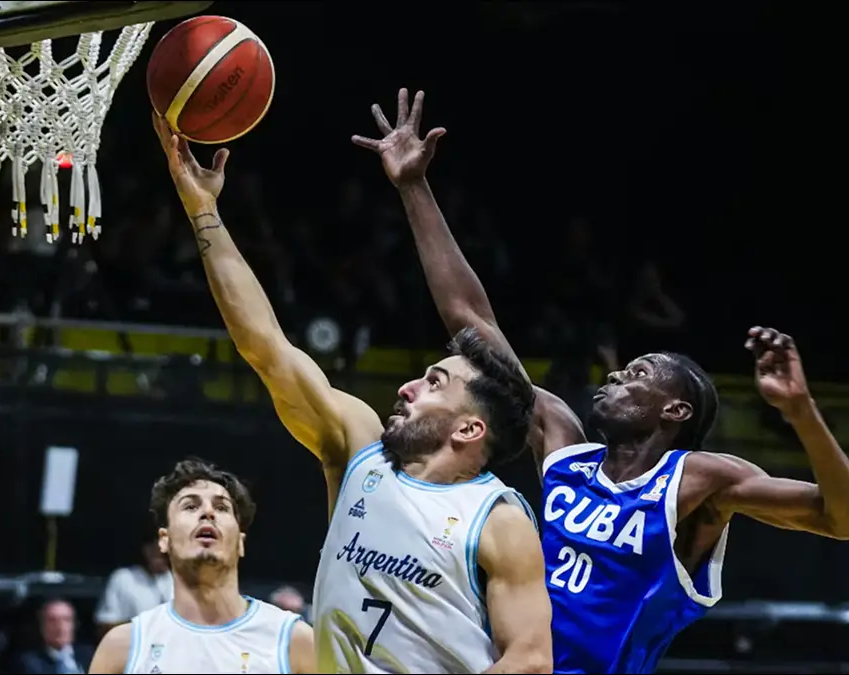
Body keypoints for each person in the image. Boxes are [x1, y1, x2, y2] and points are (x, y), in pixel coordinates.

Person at [353, 88, 849, 674]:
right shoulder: (565, 451)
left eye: (641, 373)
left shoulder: (699, 482)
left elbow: (846, 521)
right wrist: (413, 187)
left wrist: (801, 412)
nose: (619, 374)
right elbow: (472, 322)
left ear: (675, 412)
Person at [150, 111, 552, 674]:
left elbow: (531, 661)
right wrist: (203, 210)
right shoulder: (360, 449)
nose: (409, 386)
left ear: (469, 428)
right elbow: (264, 345)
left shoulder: (498, 519)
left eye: (435, 383)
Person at [89, 458, 315, 674]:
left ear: (240, 542)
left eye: (222, 507)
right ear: (164, 540)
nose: (208, 513)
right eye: (190, 506)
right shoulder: (122, 649)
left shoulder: (295, 641)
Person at [94, 532, 174, 636]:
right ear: (146, 549)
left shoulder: (176, 579)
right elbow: (104, 626)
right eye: (160, 553)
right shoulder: (123, 578)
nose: (164, 557)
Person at [11, 598, 94, 674]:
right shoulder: (29, 663)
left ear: (74, 624)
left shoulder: (90, 656)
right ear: (42, 626)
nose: (60, 627)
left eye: (66, 620)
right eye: (52, 620)